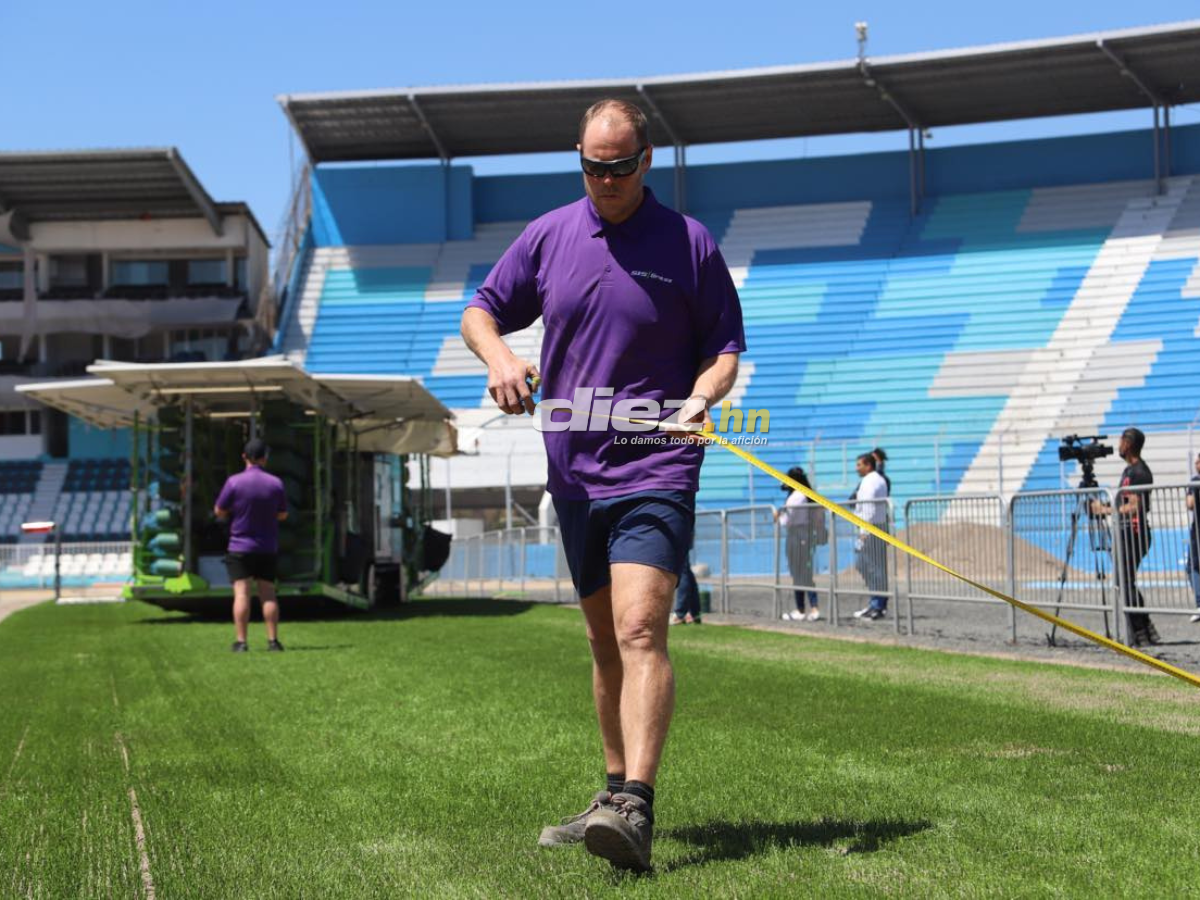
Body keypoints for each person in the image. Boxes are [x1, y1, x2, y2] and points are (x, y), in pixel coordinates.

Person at [461, 98, 744, 872]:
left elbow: (723, 350)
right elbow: (480, 311)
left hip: (657, 462)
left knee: (641, 629)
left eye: (620, 166)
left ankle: (637, 810)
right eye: (593, 165)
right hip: (575, 473)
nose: (606, 179)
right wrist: (500, 359)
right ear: (578, 157)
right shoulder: (550, 235)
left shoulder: (689, 244)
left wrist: (702, 397)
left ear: (645, 161)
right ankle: (611, 792)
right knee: (601, 640)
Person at [214, 438, 288, 653]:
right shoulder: (276, 483)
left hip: (240, 546)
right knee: (268, 594)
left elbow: (219, 510)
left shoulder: (234, 482)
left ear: (244, 457)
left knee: (242, 594)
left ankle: (241, 642)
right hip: (267, 547)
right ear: (265, 458)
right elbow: (283, 514)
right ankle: (273, 641)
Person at [1090, 428, 1159, 647]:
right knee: (1125, 581)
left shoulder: (1140, 472)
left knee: (1124, 581)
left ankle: (1140, 631)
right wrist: (1106, 506)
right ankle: (1145, 628)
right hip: (1126, 533)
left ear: (1128, 444)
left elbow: (1136, 505)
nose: (1118, 445)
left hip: (1135, 533)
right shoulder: (1129, 471)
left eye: (1121, 441)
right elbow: (1123, 501)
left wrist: (1105, 510)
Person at [776, 466, 820, 622]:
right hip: (804, 535)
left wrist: (777, 516)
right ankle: (804, 608)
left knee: (801, 575)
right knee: (803, 574)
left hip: (797, 536)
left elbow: (786, 521)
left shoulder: (796, 497)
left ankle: (808, 608)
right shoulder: (806, 494)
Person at [850, 453, 891, 621]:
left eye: (859, 465)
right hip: (877, 526)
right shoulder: (878, 479)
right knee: (873, 567)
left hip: (871, 528)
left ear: (868, 465)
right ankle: (876, 603)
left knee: (869, 566)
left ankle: (878, 604)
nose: (856, 468)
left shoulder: (869, 481)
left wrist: (863, 532)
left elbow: (868, 507)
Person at [669, 534, 702, 625]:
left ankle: (680, 614)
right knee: (685, 570)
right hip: (683, 529)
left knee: (683, 570)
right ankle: (694, 613)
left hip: (679, 530)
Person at [1188, 453, 1200, 624]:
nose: (1196, 463)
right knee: (1192, 565)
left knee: (1194, 565)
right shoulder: (1194, 480)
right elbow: (1189, 504)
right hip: (1196, 528)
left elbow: (1189, 503)